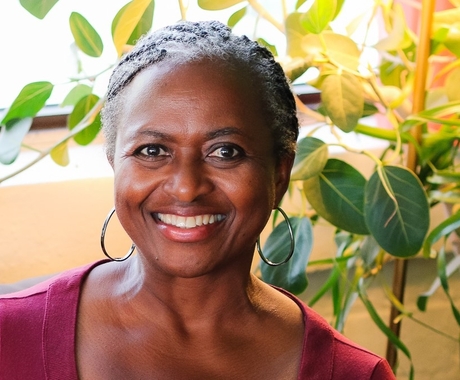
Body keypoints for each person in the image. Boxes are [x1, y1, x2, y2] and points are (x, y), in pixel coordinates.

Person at [0, 20, 395, 379]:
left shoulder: (353, 375)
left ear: (280, 172)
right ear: (114, 164)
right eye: (152, 151)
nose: (186, 188)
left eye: (226, 151)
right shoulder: (9, 338)